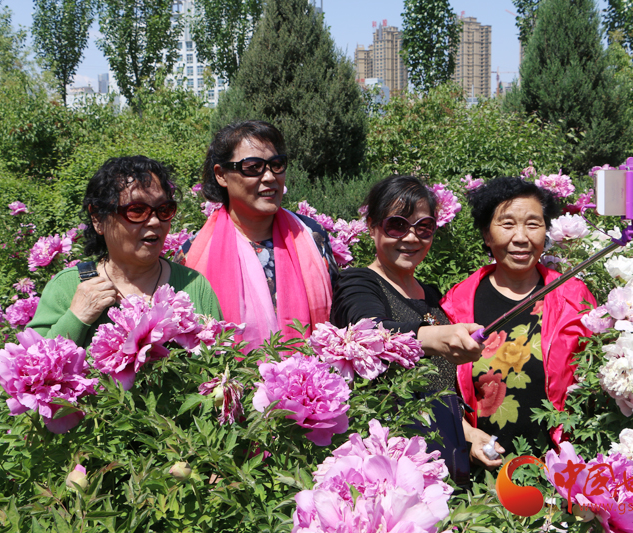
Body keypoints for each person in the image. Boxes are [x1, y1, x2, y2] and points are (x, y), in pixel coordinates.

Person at [331, 175, 485, 483]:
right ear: (373, 226)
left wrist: (470, 433)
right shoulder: (359, 283)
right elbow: (367, 331)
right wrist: (433, 336)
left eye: (423, 227)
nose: (411, 237)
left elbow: (437, 386)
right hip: (391, 458)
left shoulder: (431, 296)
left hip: (447, 451)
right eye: (397, 225)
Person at [440, 176, 596, 470]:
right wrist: (469, 437)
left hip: (560, 469)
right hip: (483, 473)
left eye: (533, 224)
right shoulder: (457, 303)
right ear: (487, 234)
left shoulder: (574, 298)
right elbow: (440, 388)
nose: (521, 237)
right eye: (507, 224)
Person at [29, 156, 222, 347]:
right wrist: (76, 317)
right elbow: (28, 367)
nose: (155, 221)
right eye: (137, 210)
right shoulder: (66, 288)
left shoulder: (194, 287)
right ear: (98, 219)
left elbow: (223, 365)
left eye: (164, 209)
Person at [182, 120, 338, 352]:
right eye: (253, 167)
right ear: (221, 175)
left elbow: (338, 313)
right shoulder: (193, 253)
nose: (269, 177)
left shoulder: (311, 236)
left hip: (307, 382)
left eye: (277, 165)